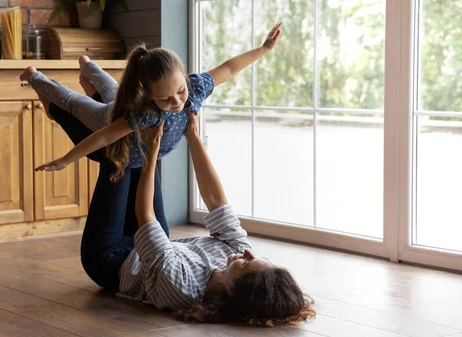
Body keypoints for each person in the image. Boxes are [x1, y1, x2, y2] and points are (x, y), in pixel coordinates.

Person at [99, 111, 315, 326]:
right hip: (153, 244)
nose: (247, 252)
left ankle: (69, 110)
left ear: (231, 288)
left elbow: (145, 216)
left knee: (116, 156)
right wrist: (192, 135)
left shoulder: (182, 288)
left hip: (113, 258)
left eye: (246, 263)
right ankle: (100, 97)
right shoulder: (236, 252)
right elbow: (215, 200)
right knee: (133, 143)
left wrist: (152, 151)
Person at [19, 22, 282, 182]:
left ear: (184, 78)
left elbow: (229, 68)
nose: (177, 102)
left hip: (123, 107)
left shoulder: (196, 87)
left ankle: (88, 65)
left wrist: (265, 48)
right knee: (74, 103)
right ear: (148, 95)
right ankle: (34, 75)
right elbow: (102, 137)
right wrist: (66, 159)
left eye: (180, 92)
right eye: (165, 99)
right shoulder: (147, 114)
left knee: (112, 89)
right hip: (105, 116)